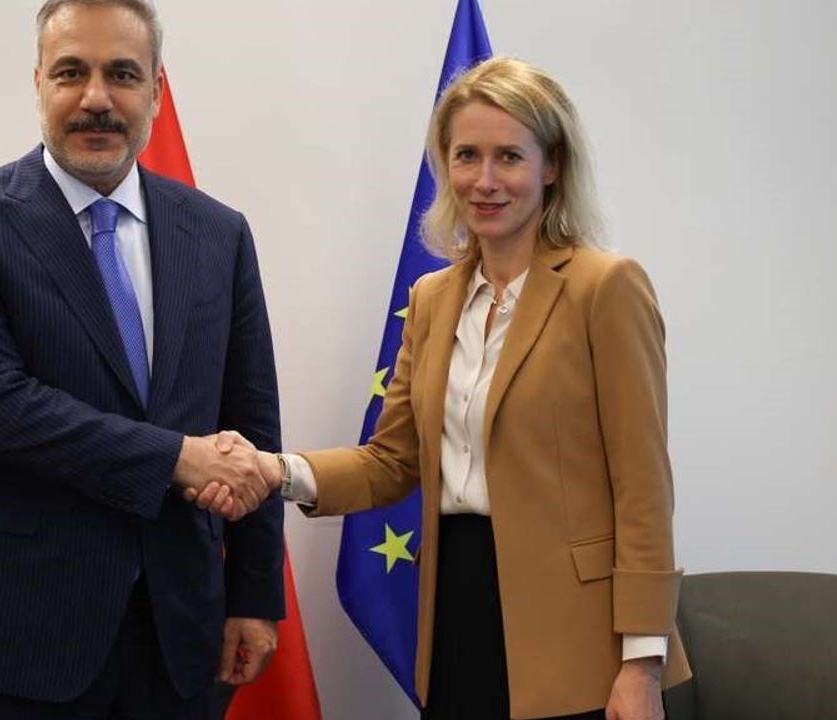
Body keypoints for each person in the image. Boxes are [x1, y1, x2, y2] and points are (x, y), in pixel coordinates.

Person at [191, 56, 692, 719]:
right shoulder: (432, 298)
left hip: (578, 634)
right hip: (456, 600)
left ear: (552, 165)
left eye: (509, 157)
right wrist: (274, 471)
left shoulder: (605, 287)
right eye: (467, 156)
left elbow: (643, 487)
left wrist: (642, 663)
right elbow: (390, 462)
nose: (485, 181)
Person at [0, 1, 285, 717]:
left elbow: (252, 419)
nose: (96, 99)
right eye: (72, 73)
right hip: (21, 633)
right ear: (39, 82)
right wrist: (177, 457)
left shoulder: (219, 232)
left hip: (183, 629)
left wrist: (254, 594)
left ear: (156, 91)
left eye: (123, 74)